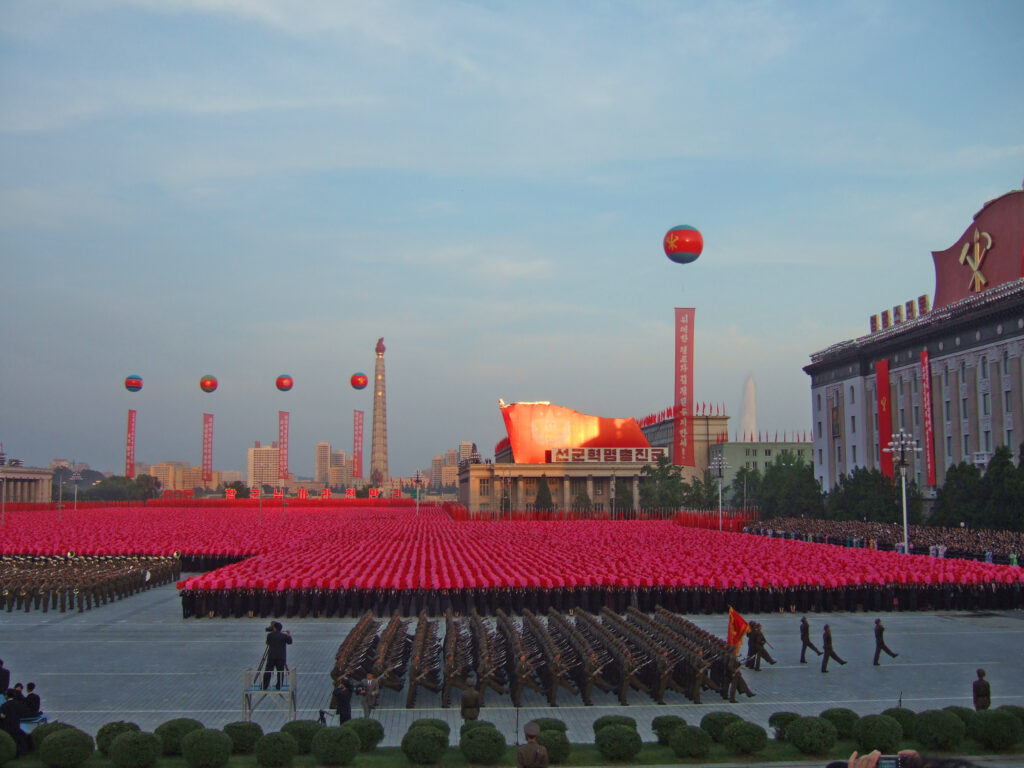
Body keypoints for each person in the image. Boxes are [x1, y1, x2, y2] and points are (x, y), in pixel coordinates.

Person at [0, 688, 31, 757]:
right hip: (16, 726)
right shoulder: (19, 704)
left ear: (6, 696)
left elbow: (2, 716)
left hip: (6, 727)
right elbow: (24, 713)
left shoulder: (4, 705)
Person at [263, 621, 292, 690]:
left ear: (274, 628)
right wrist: (288, 634)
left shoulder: (270, 635)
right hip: (281, 657)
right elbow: (290, 642)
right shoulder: (284, 636)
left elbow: (267, 643)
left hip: (271, 656)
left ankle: (264, 685)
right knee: (280, 672)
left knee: (268, 671)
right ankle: (279, 686)